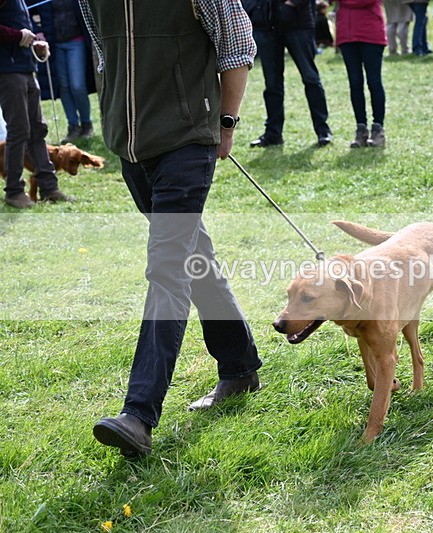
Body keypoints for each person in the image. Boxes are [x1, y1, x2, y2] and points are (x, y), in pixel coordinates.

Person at [79, 0, 263, 457]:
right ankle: (240, 367)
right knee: (192, 257)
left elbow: (238, 47)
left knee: (167, 269)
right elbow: (104, 54)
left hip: (186, 143)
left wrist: (225, 122)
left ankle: (138, 415)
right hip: (131, 150)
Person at [0, 0, 72, 209]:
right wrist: (18, 36)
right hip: (7, 70)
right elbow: (15, 32)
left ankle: (49, 188)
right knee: (19, 130)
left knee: (37, 129)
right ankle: (14, 191)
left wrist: (35, 45)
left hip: (25, 66)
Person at [243, 0, 334, 147]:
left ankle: (323, 131)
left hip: (299, 23)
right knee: (272, 84)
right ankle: (273, 134)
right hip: (265, 23)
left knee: (310, 78)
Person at [30, 0, 95, 143]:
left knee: (77, 85)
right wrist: (38, 30)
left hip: (76, 41)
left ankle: (86, 124)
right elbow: (27, 10)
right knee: (63, 86)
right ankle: (73, 126)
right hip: (54, 44)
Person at [335, 0, 388, 148]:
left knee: (374, 81)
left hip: (370, 33)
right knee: (355, 83)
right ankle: (361, 129)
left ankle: (378, 129)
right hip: (347, 33)